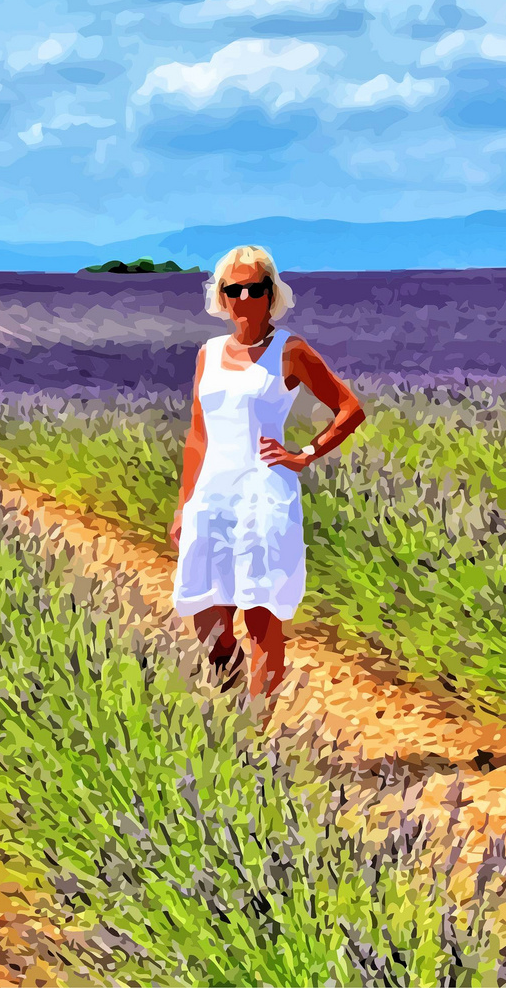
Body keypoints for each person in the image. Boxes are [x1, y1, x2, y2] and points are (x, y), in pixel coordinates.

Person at [168, 245, 366, 700]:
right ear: (219, 296)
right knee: (211, 628)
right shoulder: (209, 353)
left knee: (261, 620)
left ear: (271, 294)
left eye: (254, 289)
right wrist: (184, 506)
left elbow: (349, 409)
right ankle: (231, 699)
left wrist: (305, 454)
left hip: (262, 499)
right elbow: (198, 435)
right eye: (232, 289)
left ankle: (254, 739)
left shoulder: (289, 350)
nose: (243, 299)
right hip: (212, 499)